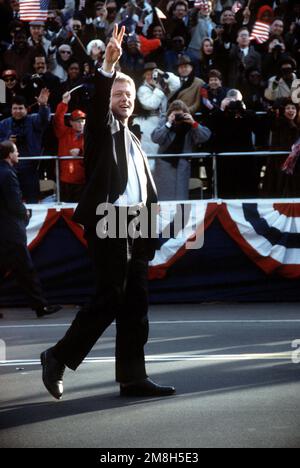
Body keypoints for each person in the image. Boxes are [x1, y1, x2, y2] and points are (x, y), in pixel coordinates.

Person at [40, 25, 176, 400]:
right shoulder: (103, 131)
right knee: (110, 296)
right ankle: (57, 356)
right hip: (108, 221)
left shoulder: (134, 138)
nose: (124, 98)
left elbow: (142, 192)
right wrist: (108, 68)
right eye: (118, 93)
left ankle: (133, 378)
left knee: (136, 304)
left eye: (128, 93)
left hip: (135, 224)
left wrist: (146, 234)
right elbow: (100, 105)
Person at [0, 140, 61, 318]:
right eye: (16, 152)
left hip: (4, 229)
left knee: (4, 267)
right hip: (10, 229)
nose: (18, 154)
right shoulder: (7, 174)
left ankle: (40, 305)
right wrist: (24, 213)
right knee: (25, 269)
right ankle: (40, 306)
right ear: (9, 155)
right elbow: (14, 203)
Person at [152, 99, 211, 201]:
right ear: (170, 114)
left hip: (182, 164)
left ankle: (181, 216)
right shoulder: (164, 121)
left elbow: (205, 137)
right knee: (163, 197)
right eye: (175, 115)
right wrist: (168, 124)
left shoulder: (190, 125)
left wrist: (193, 123)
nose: (178, 118)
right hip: (164, 165)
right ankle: (163, 216)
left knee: (181, 198)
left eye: (180, 115)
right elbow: (156, 138)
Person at [0, 90, 51, 203]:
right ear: (11, 109)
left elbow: (44, 120)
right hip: (8, 169)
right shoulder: (3, 124)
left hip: (30, 168)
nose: (17, 111)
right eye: (15, 108)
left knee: (32, 200)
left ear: (26, 109)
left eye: (20, 108)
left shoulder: (33, 120)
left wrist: (43, 105)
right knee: (9, 201)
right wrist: (6, 141)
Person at [53, 92, 86, 203]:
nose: (80, 124)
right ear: (71, 122)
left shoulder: (90, 137)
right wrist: (64, 103)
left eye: (82, 121)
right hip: (64, 181)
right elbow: (58, 119)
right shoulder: (64, 133)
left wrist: (81, 151)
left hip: (82, 181)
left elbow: (95, 153)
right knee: (64, 209)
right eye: (77, 121)